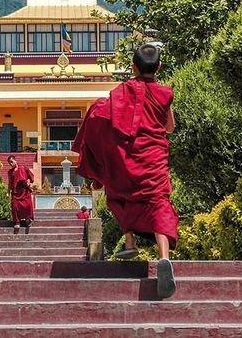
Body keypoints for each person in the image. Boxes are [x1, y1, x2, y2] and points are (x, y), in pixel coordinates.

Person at [72, 43, 179, 299]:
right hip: (152, 158)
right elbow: (170, 127)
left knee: (119, 194)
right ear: (159, 67)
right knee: (158, 203)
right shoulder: (165, 93)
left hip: (127, 158)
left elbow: (103, 114)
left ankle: (129, 242)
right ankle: (163, 257)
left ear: (132, 67)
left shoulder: (121, 91)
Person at [7, 155, 34, 233]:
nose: (11, 164)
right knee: (15, 206)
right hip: (15, 192)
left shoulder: (23, 168)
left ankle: (28, 219)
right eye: (9, 163)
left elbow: (30, 177)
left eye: (12, 162)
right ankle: (17, 222)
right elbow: (9, 183)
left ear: (15, 161)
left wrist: (28, 181)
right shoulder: (10, 172)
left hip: (24, 191)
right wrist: (8, 192)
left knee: (27, 205)